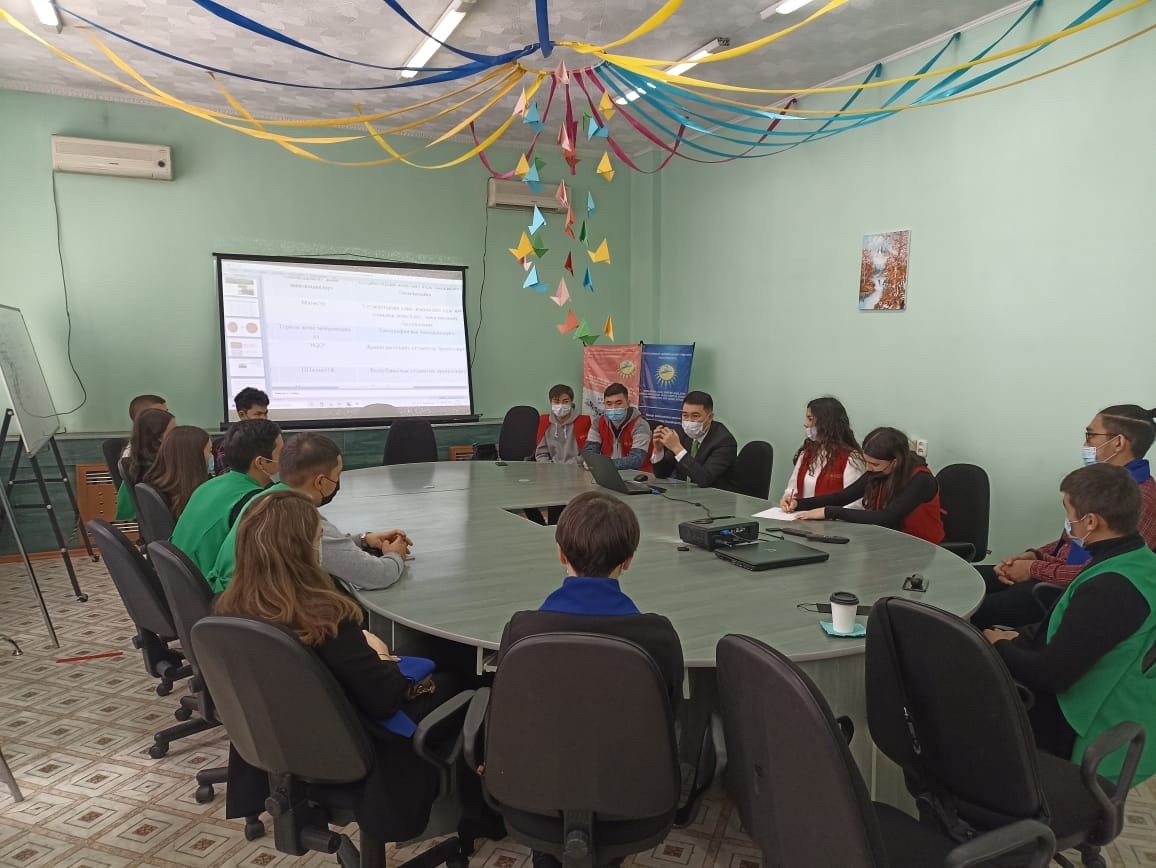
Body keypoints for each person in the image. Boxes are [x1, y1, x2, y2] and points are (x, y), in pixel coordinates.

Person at [214, 491, 458, 846]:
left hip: (285, 737)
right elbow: (385, 700)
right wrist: (380, 655)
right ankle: (475, 812)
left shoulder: (229, 609)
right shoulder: (327, 620)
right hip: (360, 746)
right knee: (463, 681)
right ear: (306, 552)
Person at [495, 490, 684, 868]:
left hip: (534, 794)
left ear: (560, 553)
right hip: (630, 801)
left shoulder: (522, 630)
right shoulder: (658, 637)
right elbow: (669, 717)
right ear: (628, 560)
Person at [985, 463, 1156, 784]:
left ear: (1091, 521)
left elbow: (1050, 675)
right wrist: (1018, 640)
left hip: (1081, 723)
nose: (1068, 524)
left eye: (1068, 512)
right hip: (1107, 692)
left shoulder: (1112, 588)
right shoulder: (1138, 559)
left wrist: (1000, 646)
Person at [973, 404, 1156, 629]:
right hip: (1052, 572)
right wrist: (1033, 555)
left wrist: (1031, 569)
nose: (1085, 445)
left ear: (1118, 443)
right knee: (965, 580)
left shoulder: (1140, 501)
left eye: (1090, 436)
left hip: (1065, 592)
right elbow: (1071, 542)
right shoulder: (1103, 485)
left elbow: (1100, 573)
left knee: (968, 608)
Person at [208, 433, 412, 593]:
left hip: (235, 602)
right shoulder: (304, 520)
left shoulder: (266, 498)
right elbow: (377, 576)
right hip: (265, 614)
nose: (338, 482)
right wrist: (395, 554)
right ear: (321, 482)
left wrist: (364, 540)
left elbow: (322, 549)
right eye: (337, 475)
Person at [786, 426, 945, 543]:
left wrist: (830, 512)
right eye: (866, 462)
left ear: (895, 462)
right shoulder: (879, 471)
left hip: (921, 547)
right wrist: (798, 504)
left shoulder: (921, 479)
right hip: (885, 542)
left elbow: (887, 517)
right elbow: (842, 497)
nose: (868, 468)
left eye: (874, 464)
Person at [171, 419, 282, 576]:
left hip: (181, 580)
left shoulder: (209, 485)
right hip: (211, 586)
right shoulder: (253, 503)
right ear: (261, 462)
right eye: (281, 453)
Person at [780, 397, 864, 508]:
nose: (805, 424)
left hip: (832, 519)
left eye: (810, 419)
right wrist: (787, 501)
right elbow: (791, 491)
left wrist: (823, 515)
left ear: (826, 423)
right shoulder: (806, 454)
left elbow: (854, 505)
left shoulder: (851, 459)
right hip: (800, 516)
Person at [650, 390, 738, 488]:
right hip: (684, 493)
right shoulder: (681, 433)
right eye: (685, 415)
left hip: (715, 495)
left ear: (710, 417)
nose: (689, 421)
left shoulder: (724, 441)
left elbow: (705, 479)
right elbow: (662, 474)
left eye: (695, 416)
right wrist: (658, 450)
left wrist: (677, 448)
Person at [115, 408, 175, 521]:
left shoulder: (138, 461)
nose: (176, 436)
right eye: (173, 431)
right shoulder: (159, 470)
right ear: (159, 437)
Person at [142, 425, 212, 519]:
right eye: (210, 451)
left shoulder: (157, 486)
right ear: (194, 457)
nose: (212, 456)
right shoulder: (198, 496)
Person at [581, 383, 652, 472]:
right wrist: (588, 461)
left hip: (638, 476)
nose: (613, 408)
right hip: (608, 473)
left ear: (628, 403)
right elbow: (590, 450)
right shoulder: (598, 423)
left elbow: (636, 460)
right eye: (609, 404)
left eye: (618, 403)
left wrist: (602, 464)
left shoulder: (641, 425)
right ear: (604, 405)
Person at [213, 387, 271, 475]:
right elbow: (227, 477)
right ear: (242, 415)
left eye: (265, 413)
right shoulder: (226, 444)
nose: (264, 418)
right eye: (258, 414)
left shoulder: (272, 440)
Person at [534, 384, 591, 464]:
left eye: (565, 401)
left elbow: (587, 453)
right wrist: (551, 467)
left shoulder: (583, 422)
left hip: (575, 467)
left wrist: (569, 466)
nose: (560, 405)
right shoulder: (545, 422)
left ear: (571, 402)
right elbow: (541, 454)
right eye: (556, 402)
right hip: (551, 468)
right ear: (551, 402)